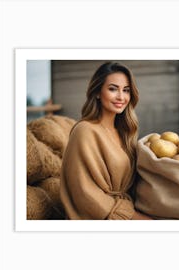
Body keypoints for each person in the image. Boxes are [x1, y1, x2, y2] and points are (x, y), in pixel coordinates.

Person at [60, 62, 152, 220]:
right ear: (97, 92)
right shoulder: (85, 131)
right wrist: (134, 218)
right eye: (113, 89)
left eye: (126, 90)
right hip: (103, 217)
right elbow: (84, 192)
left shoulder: (125, 133)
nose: (121, 97)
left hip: (129, 209)